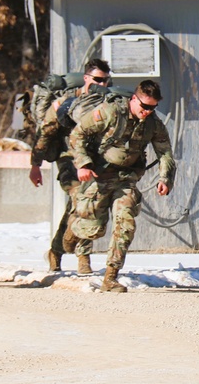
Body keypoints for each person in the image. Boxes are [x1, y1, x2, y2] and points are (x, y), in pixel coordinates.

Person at [69, 79, 176, 292]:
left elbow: (165, 152)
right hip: (99, 174)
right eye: (144, 106)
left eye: (153, 108)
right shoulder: (110, 112)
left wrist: (165, 178)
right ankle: (72, 233)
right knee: (94, 229)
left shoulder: (153, 124)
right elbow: (78, 134)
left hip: (126, 178)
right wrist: (83, 164)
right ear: (134, 99)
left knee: (125, 224)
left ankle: (110, 277)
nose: (147, 111)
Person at [29, 59, 111, 274]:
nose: (102, 85)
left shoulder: (107, 102)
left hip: (94, 159)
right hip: (68, 156)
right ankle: (83, 258)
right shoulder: (67, 101)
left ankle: (56, 250)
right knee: (81, 199)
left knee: (82, 205)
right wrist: (35, 164)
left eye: (106, 81)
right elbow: (46, 130)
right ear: (86, 78)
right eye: (98, 80)